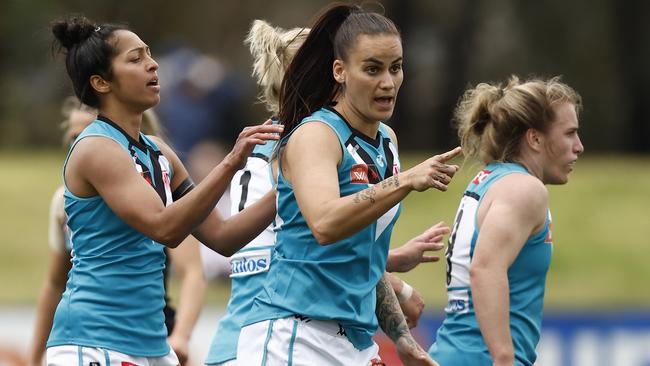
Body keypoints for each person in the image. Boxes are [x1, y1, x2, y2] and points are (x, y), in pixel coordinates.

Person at [205, 19, 450, 366]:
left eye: (395, 67)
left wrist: (399, 333)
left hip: (347, 335)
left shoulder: (375, 141)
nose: (386, 81)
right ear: (335, 72)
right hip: (284, 332)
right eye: (369, 67)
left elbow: (343, 248)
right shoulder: (302, 141)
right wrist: (397, 277)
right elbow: (319, 229)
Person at [46, 16, 282, 366]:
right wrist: (231, 162)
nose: (153, 64)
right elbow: (165, 228)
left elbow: (223, 236)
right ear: (101, 82)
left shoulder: (158, 151)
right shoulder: (96, 147)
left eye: (149, 54)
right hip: (94, 344)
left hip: (152, 346)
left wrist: (291, 190)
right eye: (135, 59)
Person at [27, 100, 206, 366]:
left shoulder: (160, 186)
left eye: (89, 131)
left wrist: (181, 336)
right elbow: (54, 283)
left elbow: (192, 271)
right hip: (94, 334)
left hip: (156, 331)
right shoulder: (65, 203)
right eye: (75, 137)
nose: (84, 142)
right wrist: (33, 358)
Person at [428, 75, 584, 366]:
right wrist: (503, 358)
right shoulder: (524, 189)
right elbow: (485, 268)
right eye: (569, 133)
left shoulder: (489, 179)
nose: (579, 146)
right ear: (535, 138)